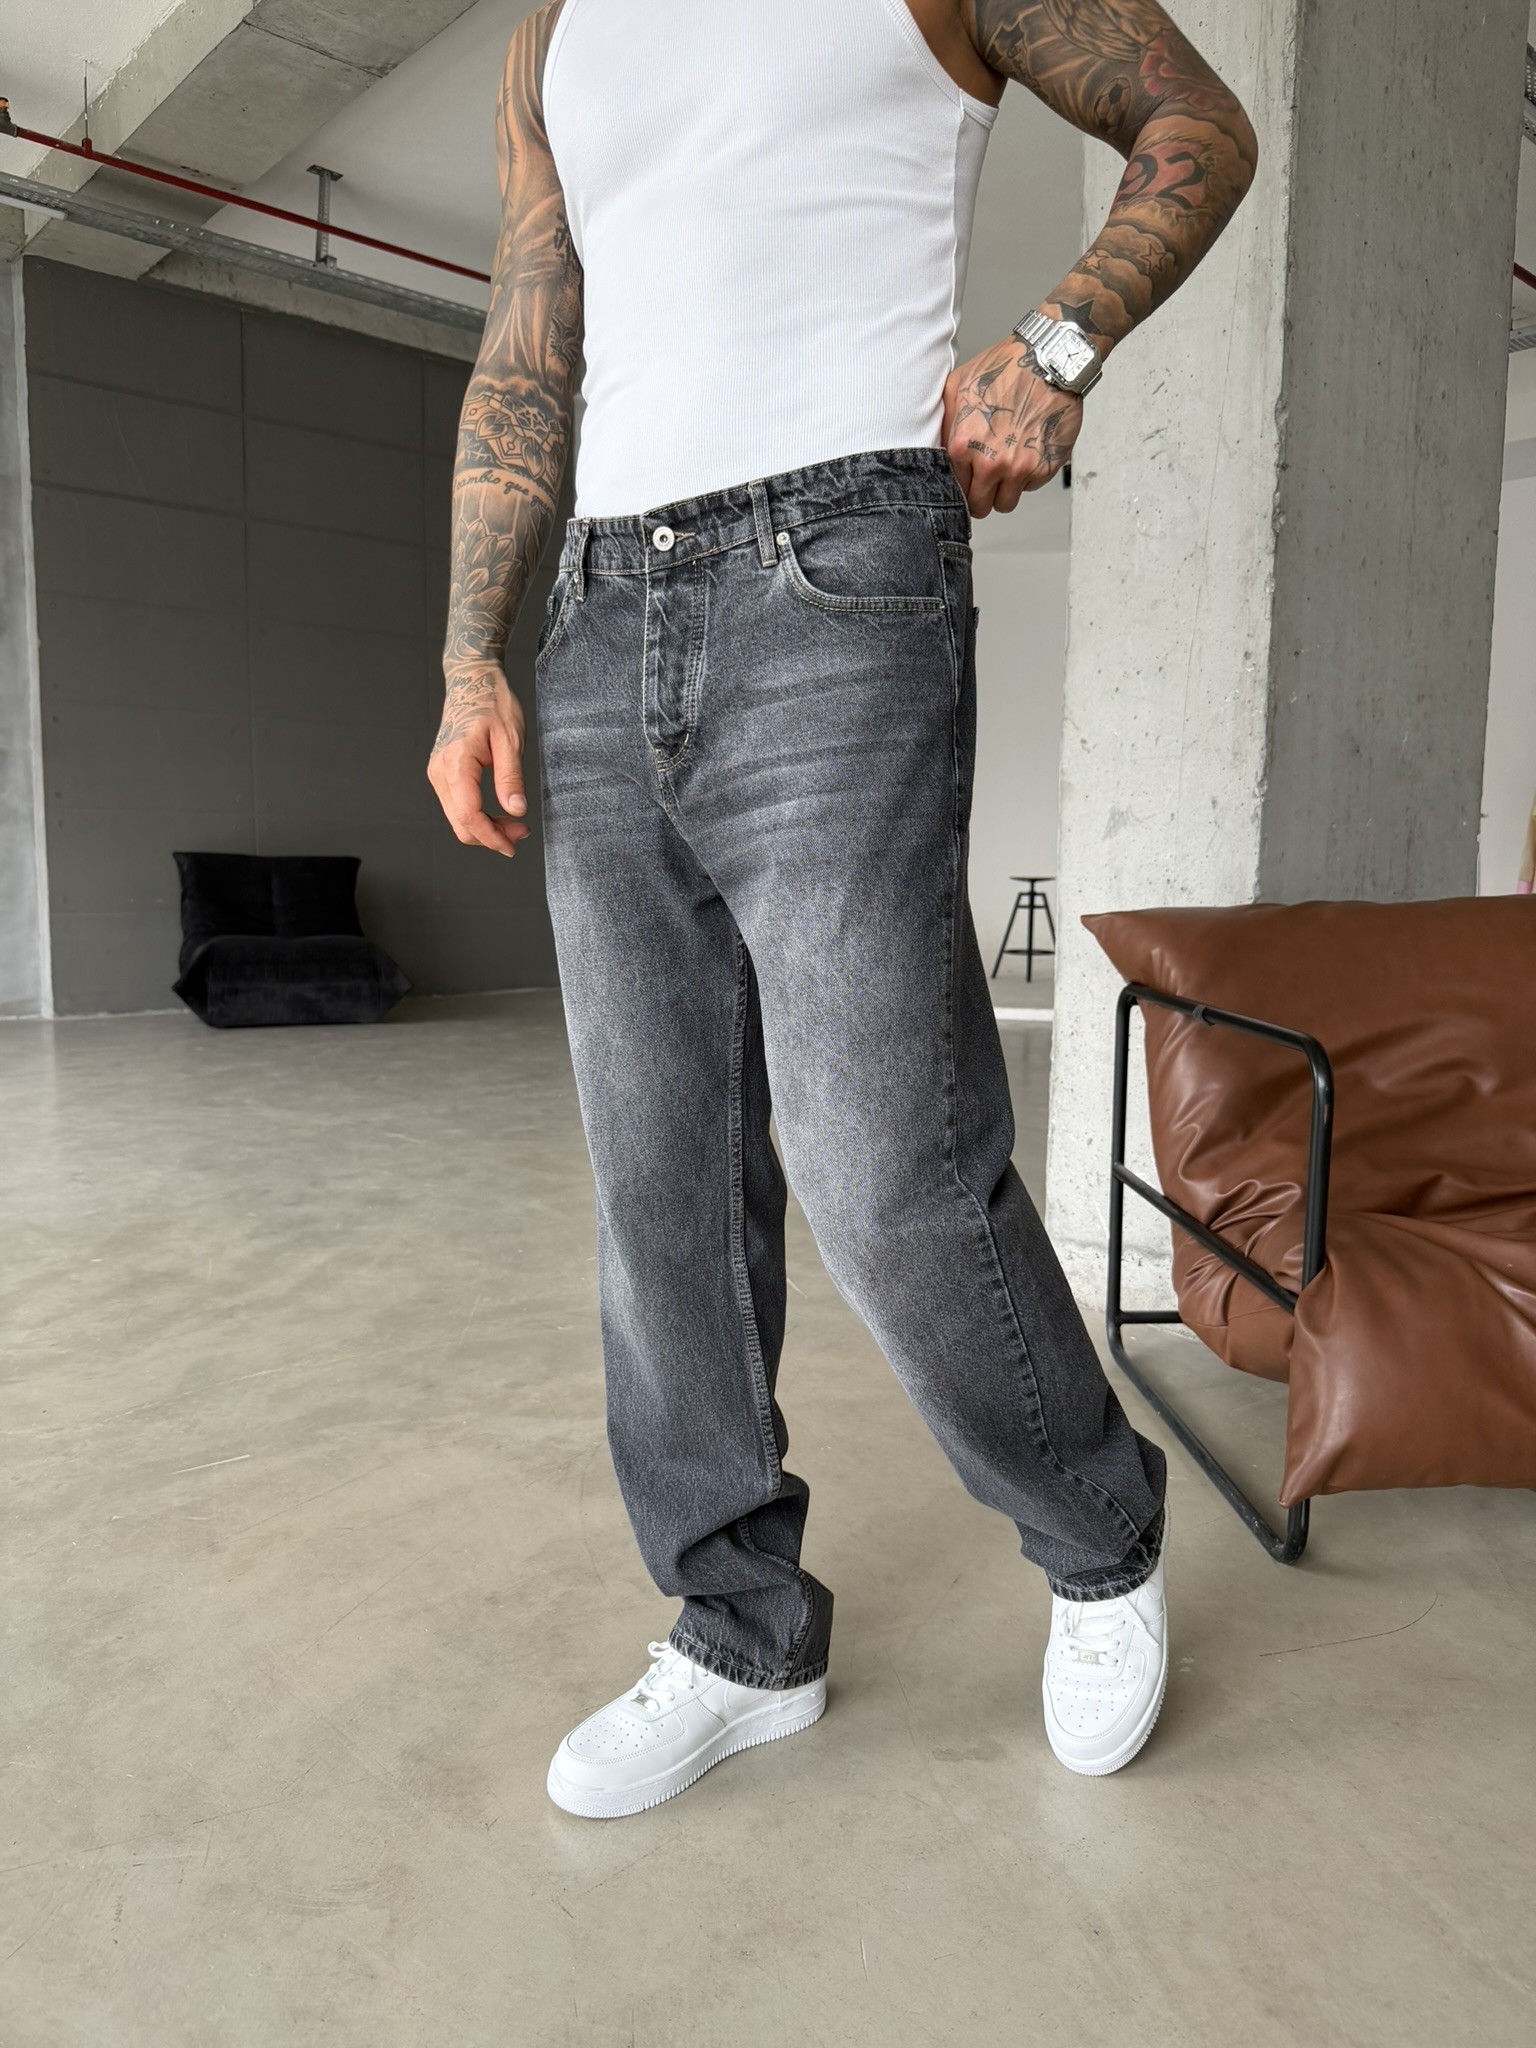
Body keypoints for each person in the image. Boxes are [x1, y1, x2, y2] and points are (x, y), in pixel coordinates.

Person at [427, 0, 1257, 1819]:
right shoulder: (553, 23)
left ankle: (1099, 1537)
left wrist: (1058, 345)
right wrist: (471, 652)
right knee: (659, 1181)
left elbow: (1199, 128)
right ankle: (742, 1631)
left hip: (838, 579)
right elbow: (525, 342)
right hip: (597, 615)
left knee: (886, 1164)